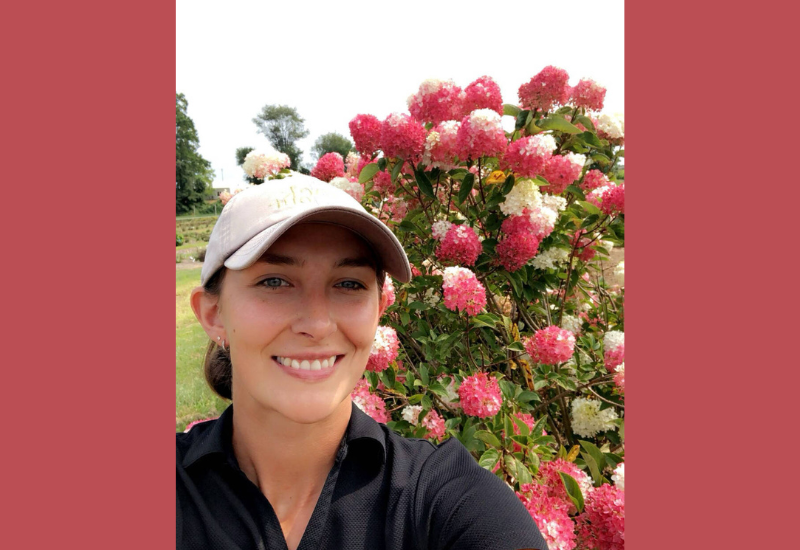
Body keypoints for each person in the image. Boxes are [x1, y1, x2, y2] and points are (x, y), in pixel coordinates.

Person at [177, 172, 548, 550]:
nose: (318, 325)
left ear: (378, 309)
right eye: (275, 281)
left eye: (349, 284)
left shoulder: (442, 500)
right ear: (213, 314)